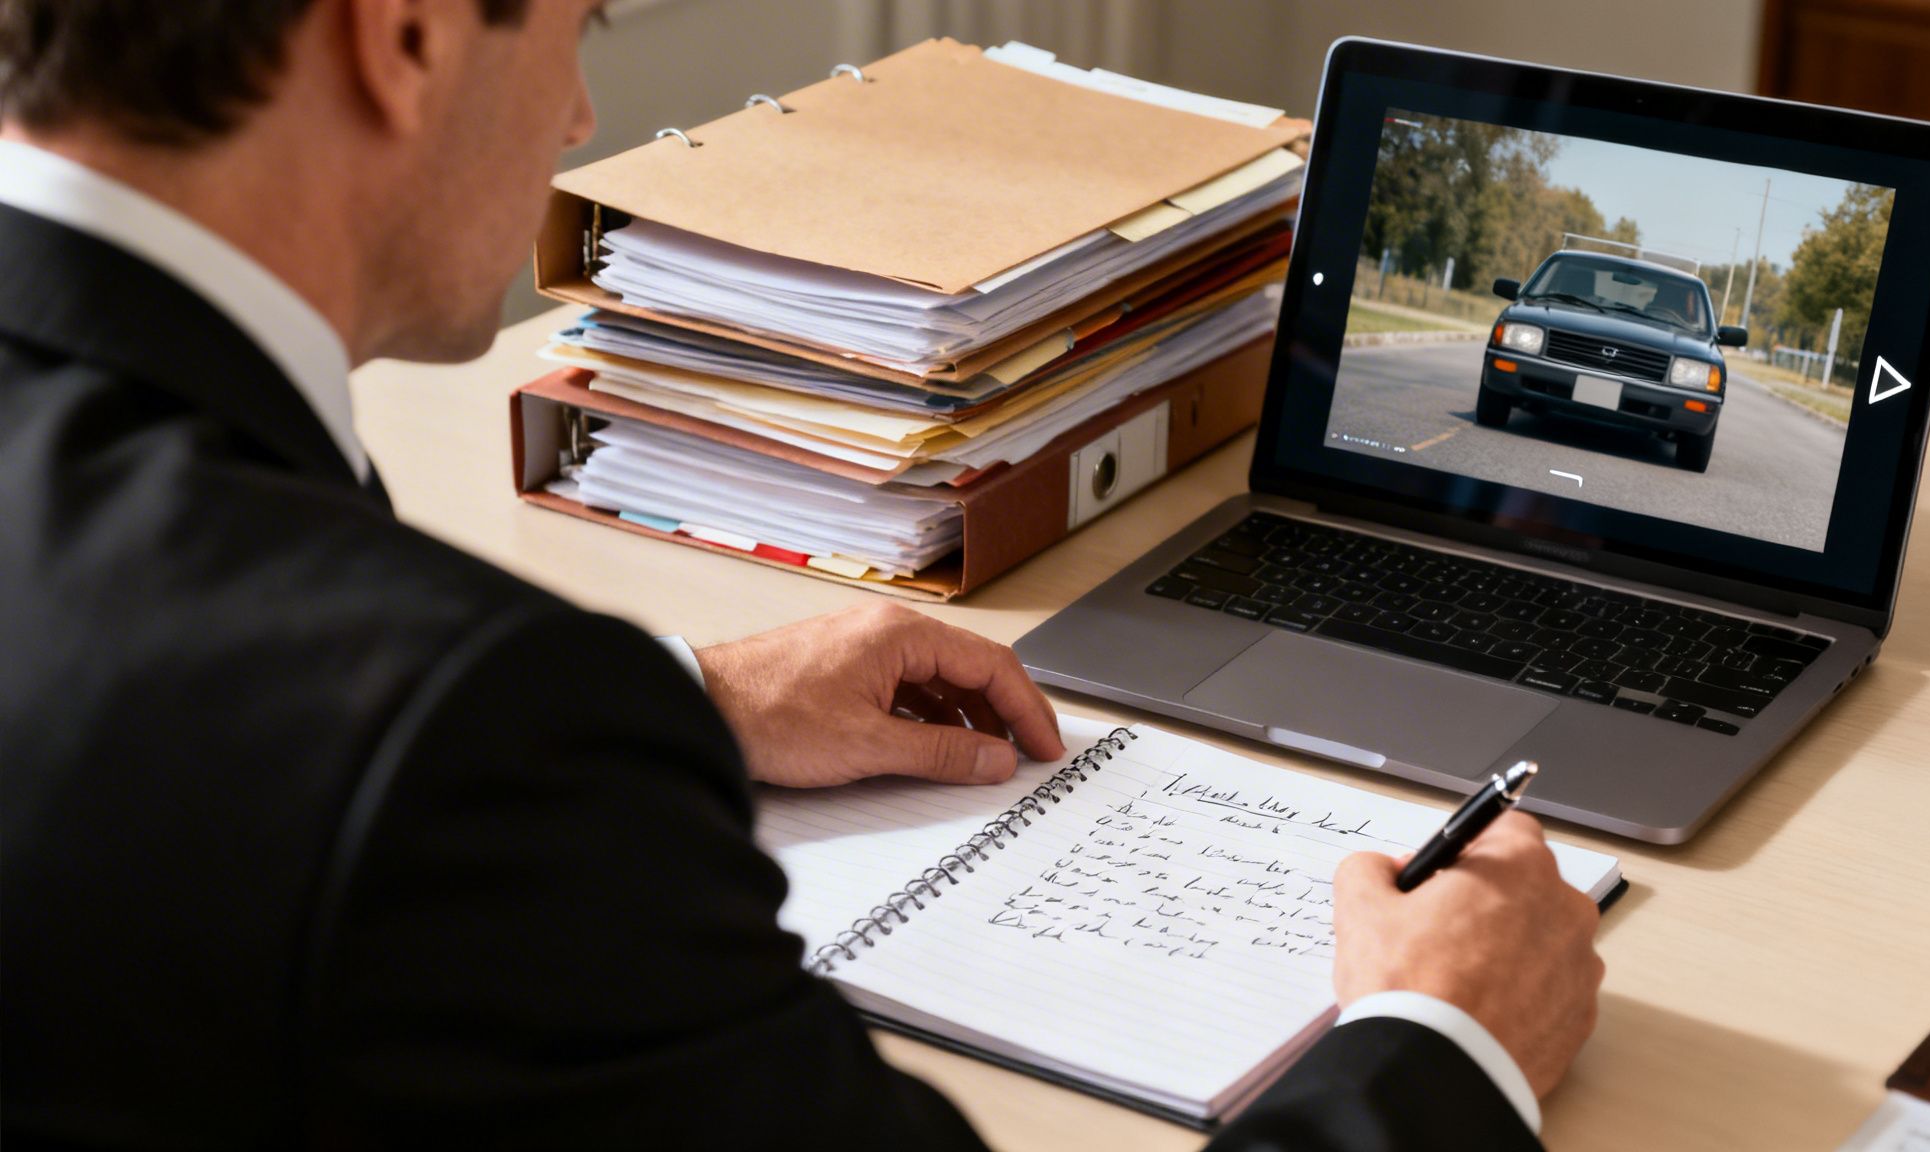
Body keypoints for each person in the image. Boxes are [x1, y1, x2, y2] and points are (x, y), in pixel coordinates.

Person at [0, 2, 1605, 1147]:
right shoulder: (465, 740)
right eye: (586, 25)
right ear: (405, 32)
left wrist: (684, 696)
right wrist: (1441, 1047)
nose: (573, 119)